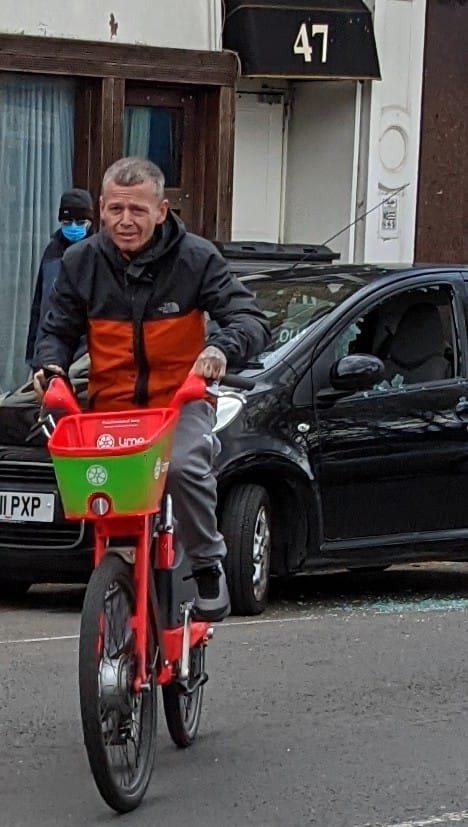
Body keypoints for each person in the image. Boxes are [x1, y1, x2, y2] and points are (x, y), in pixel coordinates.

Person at [33, 156, 270, 621]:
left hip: (178, 404)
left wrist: (220, 350)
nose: (126, 221)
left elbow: (250, 320)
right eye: (116, 209)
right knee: (91, 485)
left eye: (138, 210)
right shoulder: (81, 262)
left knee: (183, 468)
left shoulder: (197, 259)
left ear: (161, 210)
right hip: (110, 409)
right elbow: (55, 331)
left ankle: (205, 564)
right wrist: (51, 367)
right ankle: (113, 586)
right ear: (101, 209)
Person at [25, 188, 95, 370]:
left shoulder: (97, 254)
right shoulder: (52, 252)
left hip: (84, 357)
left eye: (80, 222)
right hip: (48, 350)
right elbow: (39, 304)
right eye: (67, 221)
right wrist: (33, 353)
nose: (73, 227)